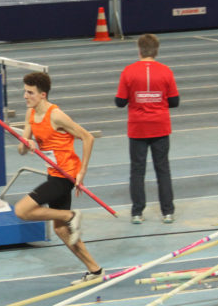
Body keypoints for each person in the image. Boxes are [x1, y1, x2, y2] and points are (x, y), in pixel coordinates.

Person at [14, 72, 104, 286]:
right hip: (53, 172)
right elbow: (21, 149)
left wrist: (82, 172)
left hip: (65, 175)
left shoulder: (56, 115)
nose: (25, 96)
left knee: (21, 210)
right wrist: (26, 145)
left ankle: (71, 215)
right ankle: (95, 269)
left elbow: (87, 137)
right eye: (25, 91)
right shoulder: (30, 113)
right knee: (61, 230)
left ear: (42, 94)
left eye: (30, 92)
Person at [116, 34, 179, 224]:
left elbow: (120, 102)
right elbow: (175, 101)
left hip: (138, 128)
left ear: (139, 50)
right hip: (160, 126)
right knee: (163, 170)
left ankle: (137, 213)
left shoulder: (128, 71)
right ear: (156, 50)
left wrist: (137, 98)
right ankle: (167, 212)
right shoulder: (166, 71)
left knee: (137, 171)